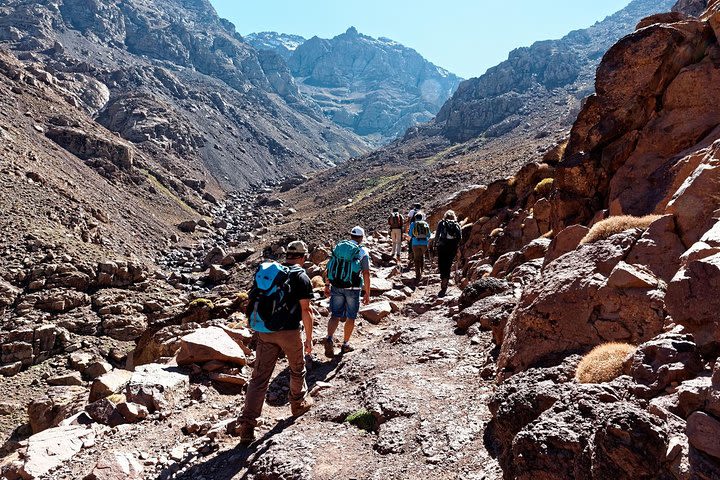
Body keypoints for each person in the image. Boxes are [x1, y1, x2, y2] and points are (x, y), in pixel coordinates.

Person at [235, 240, 315, 444]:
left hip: (265, 332)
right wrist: (309, 339)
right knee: (297, 369)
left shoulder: (272, 273)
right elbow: (306, 310)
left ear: (287, 255)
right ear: (303, 257)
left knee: (259, 378)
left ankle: (247, 426)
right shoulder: (301, 276)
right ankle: (297, 405)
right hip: (289, 332)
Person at [324, 226, 371, 356]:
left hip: (336, 286)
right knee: (351, 316)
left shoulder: (340, 247)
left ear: (351, 236)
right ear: (361, 238)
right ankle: (345, 344)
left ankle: (329, 338)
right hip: (353, 288)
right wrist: (367, 292)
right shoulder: (362, 251)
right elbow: (366, 273)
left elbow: (330, 266)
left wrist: (327, 285)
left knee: (335, 315)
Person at [435, 210, 462, 297]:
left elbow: (437, 234)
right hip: (452, 246)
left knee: (441, 263)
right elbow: (460, 237)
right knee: (449, 263)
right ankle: (446, 279)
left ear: (445, 216)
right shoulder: (456, 224)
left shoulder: (441, 223)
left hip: (442, 245)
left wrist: (435, 243)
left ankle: (443, 277)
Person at [408, 212, 432, 283]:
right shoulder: (425, 223)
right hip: (424, 243)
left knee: (416, 259)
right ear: (422, 218)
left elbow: (410, 234)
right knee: (422, 257)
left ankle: (417, 275)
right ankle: (422, 272)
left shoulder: (413, 224)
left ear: (415, 218)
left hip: (415, 243)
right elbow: (429, 235)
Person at [406, 203, 421, 270]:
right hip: (420, 230)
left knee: (410, 242)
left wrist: (407, 228)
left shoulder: (412, 211)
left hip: (412, 229)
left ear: (414, 206)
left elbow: (408, 220)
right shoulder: (421, 213)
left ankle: (410, 255)